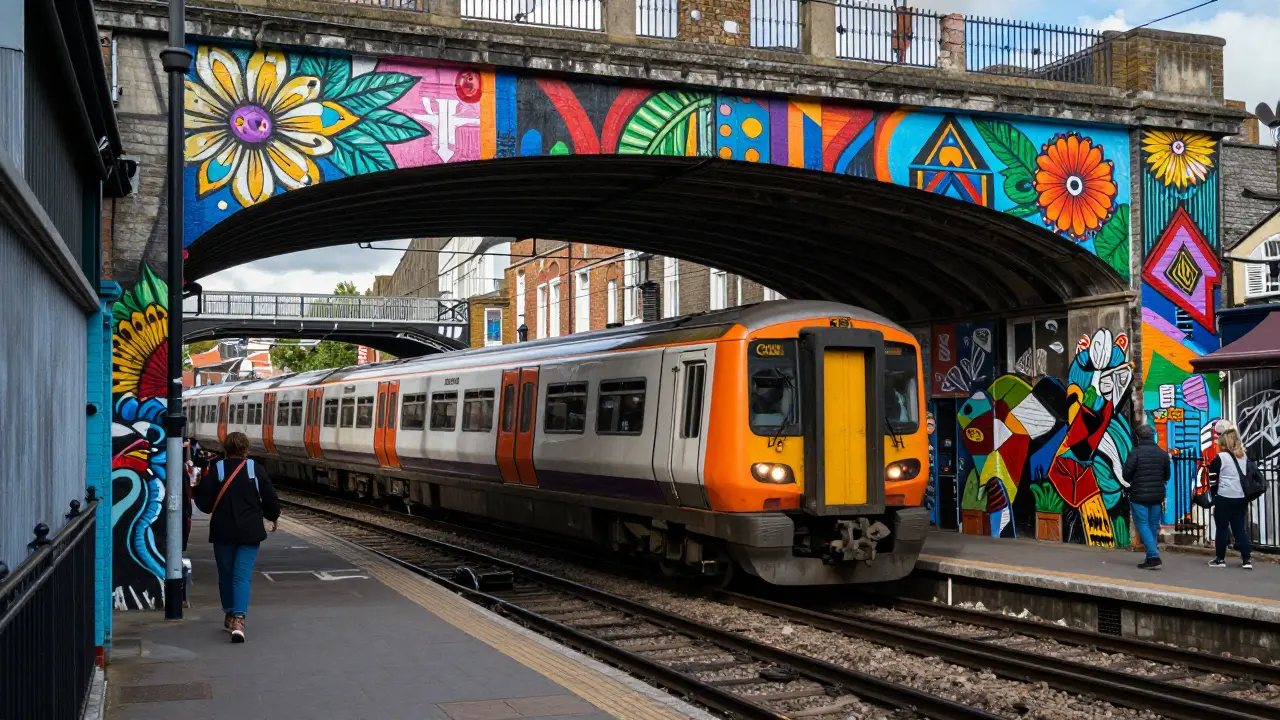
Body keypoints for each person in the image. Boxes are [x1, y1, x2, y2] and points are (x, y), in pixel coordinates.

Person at [194, 431, 281, 642]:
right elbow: (270, 499)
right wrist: (272, 517)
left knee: (225, 574)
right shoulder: (255, 470)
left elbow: (204, 505)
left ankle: (230, 613)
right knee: (241, 575)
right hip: (249, 533)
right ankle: (239, 620)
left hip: (223, 532)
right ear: (246, 450)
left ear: (226, 449)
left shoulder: (218, 470)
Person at [1122, 424, 1170, 569]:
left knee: (1142, 524)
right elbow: (1167, 475)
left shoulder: (1135, 453)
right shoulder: (1163, 454)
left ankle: (1154, 556)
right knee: (1152, 525)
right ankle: (1150, 558)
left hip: (1139, 494)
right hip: (1157, 495)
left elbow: (1126, 474)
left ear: (1138, 437)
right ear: (1152, 435)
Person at [1206, 420, 1252, 570]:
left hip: (1224, 497)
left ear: (1224, 442)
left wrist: (1214, 496)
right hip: (1240, 497)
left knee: (1222, 529)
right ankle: (1246, 560)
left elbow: (1212, 477)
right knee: (1240, 529)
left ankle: (1220, 559)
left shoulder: (1221, 458)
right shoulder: (1243, 456)